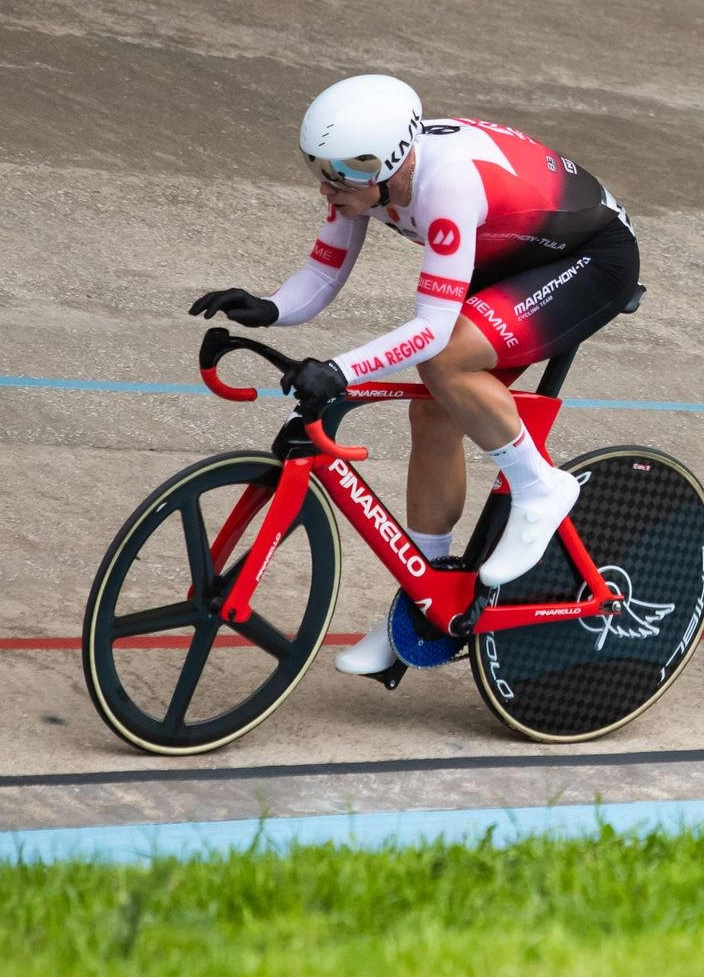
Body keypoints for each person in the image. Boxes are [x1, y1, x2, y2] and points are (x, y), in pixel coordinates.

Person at [189, 74, 639, 675]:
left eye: (343, 173)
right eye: (317, 168)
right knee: (431, 408)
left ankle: (541, 487)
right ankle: (426, 596)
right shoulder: (364, 181)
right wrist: (270, 308)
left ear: (391, 163)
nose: (329, 186)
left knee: (443, 359)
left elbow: (429, 332)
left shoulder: (446, 183)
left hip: (588, 259)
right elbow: (322, 276)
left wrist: (340, 370)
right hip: (512, 257)